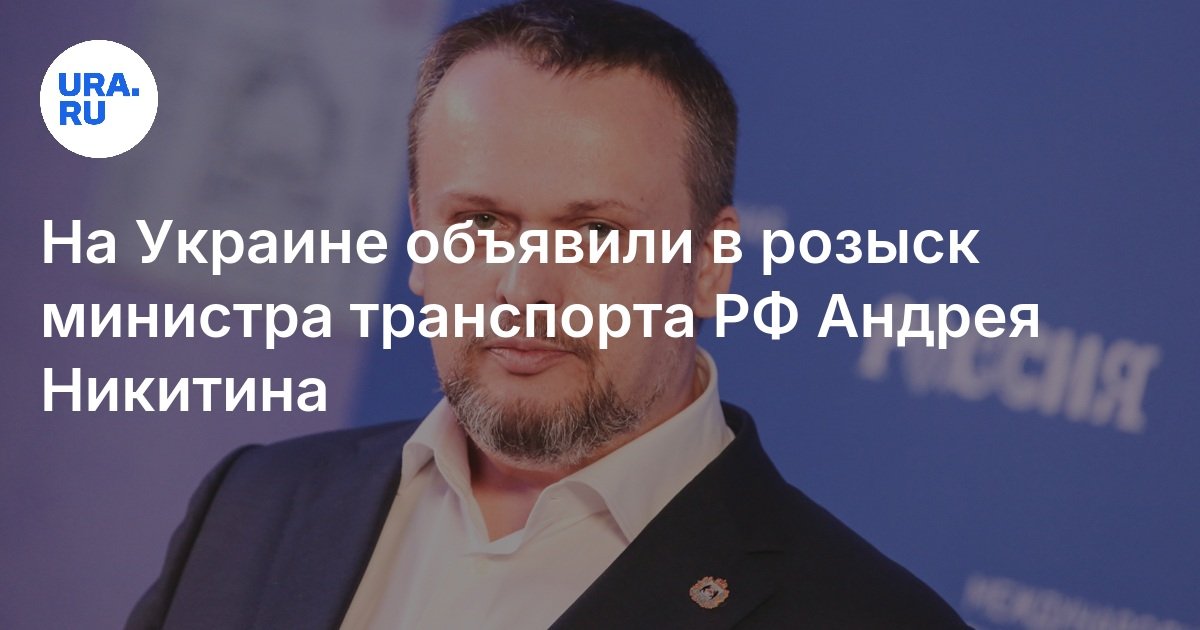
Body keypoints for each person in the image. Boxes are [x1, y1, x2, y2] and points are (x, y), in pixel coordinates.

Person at [127, 1, 969, 628]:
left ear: (709, 265)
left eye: (595, 233)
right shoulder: (251, 507)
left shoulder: (866, 617)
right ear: (420, 240)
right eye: (480, 223)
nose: (524, 290)